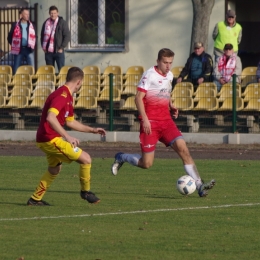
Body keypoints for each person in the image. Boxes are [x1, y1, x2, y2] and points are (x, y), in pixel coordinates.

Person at [111, 48, 215, 197]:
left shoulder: (170, 75)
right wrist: (145, 119)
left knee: (183, 149)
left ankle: (199, 185)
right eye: (165, 62)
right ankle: (122, 157)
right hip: (150, 124)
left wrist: (171, 105)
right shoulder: (149, 75)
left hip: (166, 122)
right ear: (158, 61)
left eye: (170, 63)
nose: (168, 66)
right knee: (146, 164)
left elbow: (165, 93)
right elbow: (138, 98)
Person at [27, 67, 106, 206]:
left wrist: (92, 130)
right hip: (50, 138)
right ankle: (85, 192)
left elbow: (70, 121)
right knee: (86, 159)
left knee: (54, 169)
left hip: (46, 138)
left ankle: (35, 199)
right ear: (79, 82)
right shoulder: (62, 96)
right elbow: (51, 117)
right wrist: (68, 137)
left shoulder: (68, 96)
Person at [40, 5, 70, 72]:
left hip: (58, 51)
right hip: (48, 52)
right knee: (49, 71)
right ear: (49, 13)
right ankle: (51, 82)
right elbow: (42, 36)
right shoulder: (46, 23)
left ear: (58, 13)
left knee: (61, 70)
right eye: (51, 13)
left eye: (54, 13)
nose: (53, 15)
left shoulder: (62, 23)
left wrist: (62, 47)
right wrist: (43, 47)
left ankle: (62, 82)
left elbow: (67, 36)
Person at [7, 7, 36, 74]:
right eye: (25, 14)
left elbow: (35, 37)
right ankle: (16, 82)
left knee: (32, 67)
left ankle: (32, 82)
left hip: (29, 49)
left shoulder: (31, 25)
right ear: (21, 15)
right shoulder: (15, 25)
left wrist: (33, 45)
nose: (27, 16)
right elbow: (9, 36)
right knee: (16, 67)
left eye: (28, 14)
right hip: (18, 50)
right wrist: (14, 44)